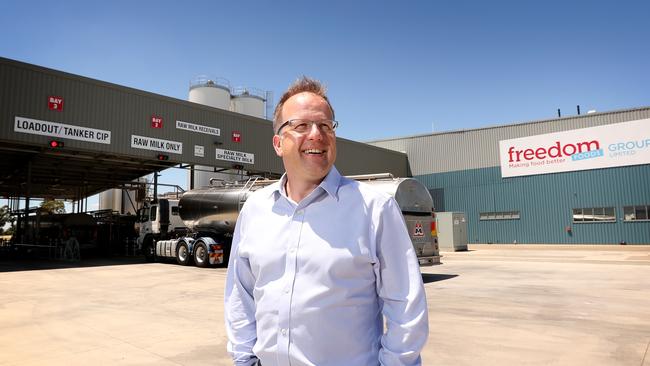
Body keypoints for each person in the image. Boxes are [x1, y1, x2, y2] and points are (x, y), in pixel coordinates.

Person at [224, 77, 428, 366]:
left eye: (325, 126)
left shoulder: (374, 209)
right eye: (301, 126)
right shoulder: (255, 210)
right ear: (278, 143)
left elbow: (405, 305)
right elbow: (239, 297)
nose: (316, 134)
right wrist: (244, 360)